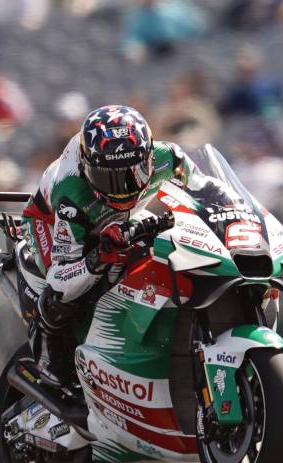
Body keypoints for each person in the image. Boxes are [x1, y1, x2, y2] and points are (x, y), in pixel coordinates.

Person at [20, 105, 197, 387]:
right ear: (87, 168)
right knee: (61, 295)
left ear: (149, 157)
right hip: (50, 221)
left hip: (124, 219)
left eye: (134, 173)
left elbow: (204, 195)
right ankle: (49, 359)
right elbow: (61, 277)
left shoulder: (170, 158)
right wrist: (98, 257)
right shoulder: (71, 193)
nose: (123, 188)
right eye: (108, 177)